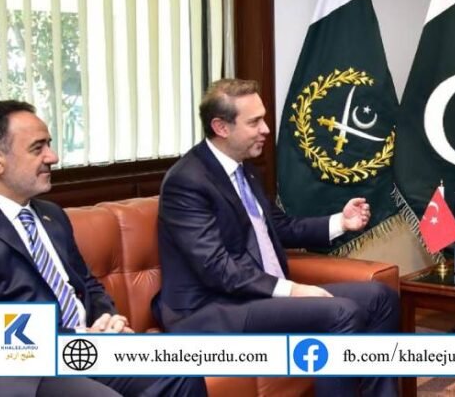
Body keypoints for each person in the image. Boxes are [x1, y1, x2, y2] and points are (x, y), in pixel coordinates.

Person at [154, 79, 399, 397]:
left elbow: (279, 227)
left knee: (381, 297)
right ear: (221, 127)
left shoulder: (245, 169)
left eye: (264, 119)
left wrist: (341, 222)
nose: (266, 129)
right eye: (254, 122)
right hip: (209, 311)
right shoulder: (187, 181)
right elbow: (217, 268)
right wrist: (292, 290)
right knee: (341, 313)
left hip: (257, 297)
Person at [0, 100, 207, 397]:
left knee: (182, 371)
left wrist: (107, 320)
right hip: (26, 366)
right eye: (37, 148)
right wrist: (77, 336)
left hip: (86, 348)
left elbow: (87, 283)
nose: (53, 157)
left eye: (49, 144)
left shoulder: (51, 215)